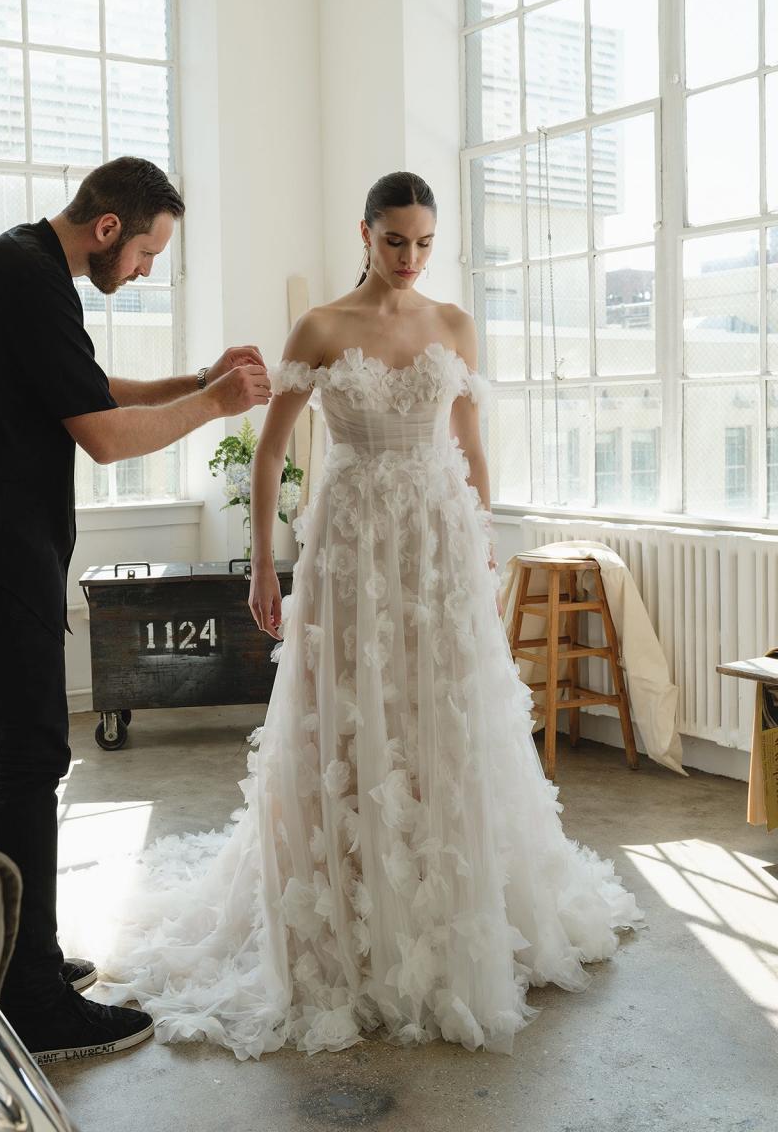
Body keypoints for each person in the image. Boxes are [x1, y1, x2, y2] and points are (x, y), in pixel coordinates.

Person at [80, 170, 645, 1060]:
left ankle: (445, 896)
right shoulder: (323, 328)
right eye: (395, 241)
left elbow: (469, 445)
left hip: (436, 542)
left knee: (442, 715)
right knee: (344, 713)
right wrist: (263, 566)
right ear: (365, 232)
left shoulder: (454, 325)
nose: (411, 259)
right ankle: (347, 905)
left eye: (424, 242)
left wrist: (481, 537)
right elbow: (270, 454)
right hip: (348, 547)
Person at [0, 156, 272, 1062]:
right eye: (147, 252)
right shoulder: (27, 278)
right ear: (109, 228)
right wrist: (217, 404)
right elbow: (104, 438)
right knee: (32, 751)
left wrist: (194, 378)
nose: (144, 270)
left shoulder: (23, 268)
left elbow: (92, 393)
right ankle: (30, 999)